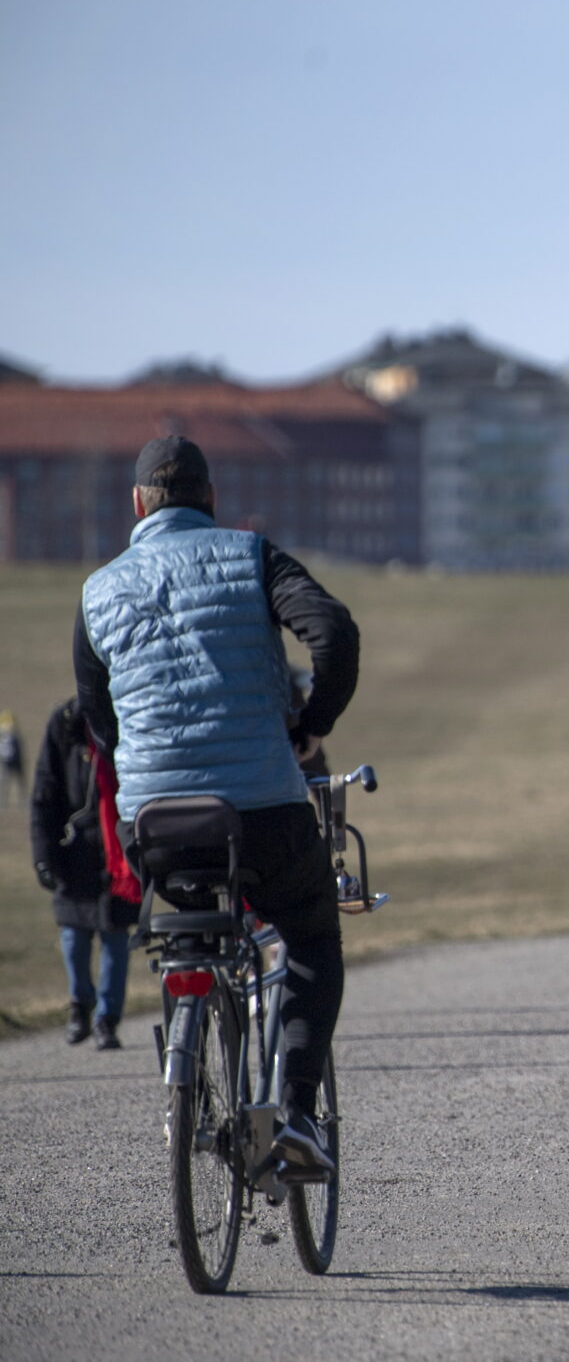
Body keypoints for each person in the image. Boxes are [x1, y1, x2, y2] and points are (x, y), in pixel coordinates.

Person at [74, 435, 358, 1173]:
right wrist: (311, 725)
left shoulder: (97, 591)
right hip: (263, 810)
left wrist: (143, 758)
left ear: (137, 505)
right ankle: (296, 1111)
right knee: (311, 936)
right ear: (212, 499)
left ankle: (187, 1080)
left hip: (156, 824)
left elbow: (96, 718)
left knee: (184, 932)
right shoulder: (250, 554)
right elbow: (331, 630)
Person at [30, 698, 142, 1048]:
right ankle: (81, 1005)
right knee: (73, 938)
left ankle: (107, 1020)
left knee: (115, 937)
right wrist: (43, 857)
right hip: (74, 851)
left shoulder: (129, 718)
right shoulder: (64, 725)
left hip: (119, 853)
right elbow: (44, 795)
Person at [0, 711, 24, 808]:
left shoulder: (13, 736)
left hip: (14, 761)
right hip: (7, 762)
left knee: (18, 782)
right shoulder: (5, 736)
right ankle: (3, 800)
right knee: (6, 782)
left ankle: (21, 800)